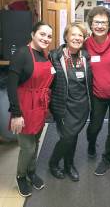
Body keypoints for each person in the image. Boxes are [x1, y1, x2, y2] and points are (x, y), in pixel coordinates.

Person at [7, 21, 53, 197]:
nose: (46, 38)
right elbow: (12, 86)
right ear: (33, 34)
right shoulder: (22, 54)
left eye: (49, 36)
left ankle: (31, 172)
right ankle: (21, 176)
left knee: (36, 143)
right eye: (42, 34)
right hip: (24, 108)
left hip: (40, 108)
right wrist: (16, 114)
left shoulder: (44, 54)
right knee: (27, 147)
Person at [48, 23, 92, 182]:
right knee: (68, 137)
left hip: (81, 106)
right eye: (73, 34)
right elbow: (48, 81)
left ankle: (68, 165)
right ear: (66, 37)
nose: (77, 38)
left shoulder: (86, 57)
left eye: (80, 35)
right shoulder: (54, 56)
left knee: (72, 136)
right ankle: (53, 163)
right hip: (63, 105)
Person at [85, 6, 110, 176]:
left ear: (109, 25)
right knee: (94, 127)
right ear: (91, 24)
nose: (100, 25)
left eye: (104, 23)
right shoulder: (85, 44)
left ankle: (106, 159)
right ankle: (91, 143)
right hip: (97, 95)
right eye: (96, 22)